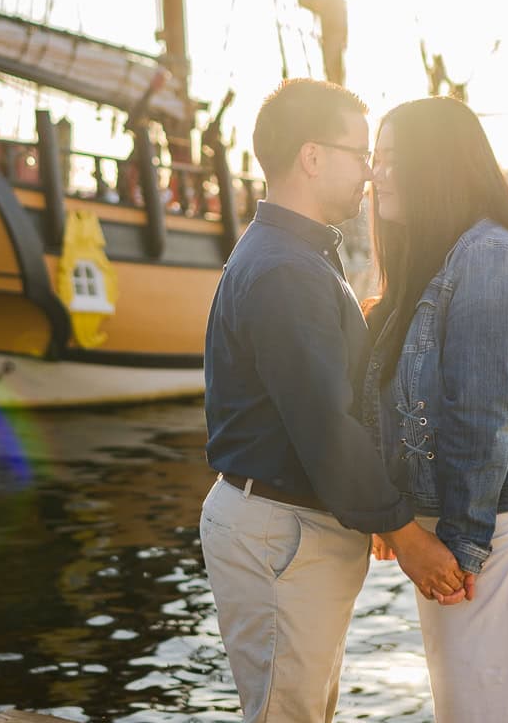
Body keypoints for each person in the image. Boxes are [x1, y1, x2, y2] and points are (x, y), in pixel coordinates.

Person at [200, 79, 467, 723]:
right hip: (281, 532)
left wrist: (370, 511)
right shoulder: (288, 269)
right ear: (312, 157)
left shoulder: (295, 253)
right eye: (358, 154)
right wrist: (404, 533)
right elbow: (324, 425)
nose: (371, 173)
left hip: (291, 525)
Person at [363, 96, 508, 722]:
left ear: (434, 166)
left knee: (498, 712)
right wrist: (402, 514)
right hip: (472, 522)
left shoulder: (489, 260)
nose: (374, 175)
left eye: (389, 160)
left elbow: (480, 419)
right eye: (372, 160)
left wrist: (460, 549)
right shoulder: (440, 259)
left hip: (505, 525)